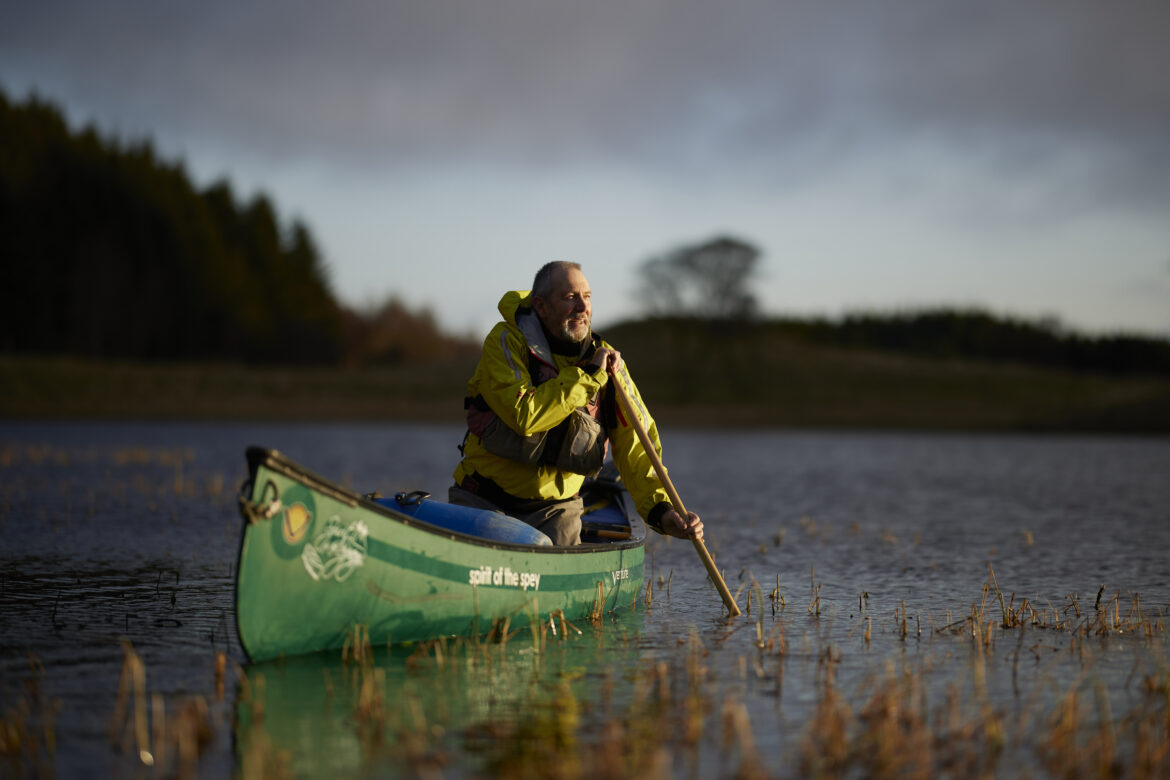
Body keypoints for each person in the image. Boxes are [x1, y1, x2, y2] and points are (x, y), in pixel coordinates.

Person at [450, 261, 704, 546]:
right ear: (541, 306)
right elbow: (524, 416)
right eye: (570, 297)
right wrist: (586, 377)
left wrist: (663, 511)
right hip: (483, 498)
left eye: (587, 296)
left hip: (554, 511)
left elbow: (637, 445)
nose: (583, 307)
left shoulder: (608, 366)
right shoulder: (506, 342)